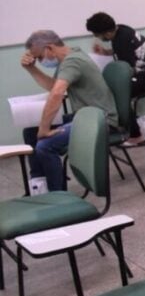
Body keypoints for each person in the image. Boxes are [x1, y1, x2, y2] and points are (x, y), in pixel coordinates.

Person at [19, 30, 118, 192]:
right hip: (85, 116)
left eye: (39, 57)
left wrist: (44, 128)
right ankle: (39, 186)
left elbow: (57, 93)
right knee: (30, 132)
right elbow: (54, 87)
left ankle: (58, 195)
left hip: (100, 121)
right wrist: (31, 69)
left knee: (45, 146)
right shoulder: (69, 58)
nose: (39, 61)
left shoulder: (73, 61)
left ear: (49, 48)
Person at [85, 12, 145, 146]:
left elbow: (126, 71)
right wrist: (106, 52)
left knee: (119, 93)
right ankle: (126, 127)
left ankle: (136, 136)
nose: (97, 38)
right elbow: (129, 54)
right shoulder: (122, 30)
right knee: (116, 90)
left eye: (97, 35)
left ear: (106, 33)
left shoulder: (121, 40)